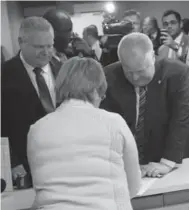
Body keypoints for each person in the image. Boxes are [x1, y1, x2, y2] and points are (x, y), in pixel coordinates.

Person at [27, 56, 141, 210]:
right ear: (95, 90)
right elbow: (133, 185)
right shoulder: (113, 123)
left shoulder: (37, 130)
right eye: (102, 94)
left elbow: (40, 184)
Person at [101, 32, 189, 177]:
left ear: (153, 58)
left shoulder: (177, 73)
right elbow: (106, 125)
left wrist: (167, 163)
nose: (135, 78)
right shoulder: (109, 76)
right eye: (129, 72)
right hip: (126, 164)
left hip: (168, 159)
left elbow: (180, 118)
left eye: (141, 71)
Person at [1, 17, 60, 185]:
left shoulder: (63, 69)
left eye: (49, 46)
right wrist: (11, 162)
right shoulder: (4, 75)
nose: (46, 52)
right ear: (21, 42)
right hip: (25, 167)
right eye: (39, 47)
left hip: (64, 158)